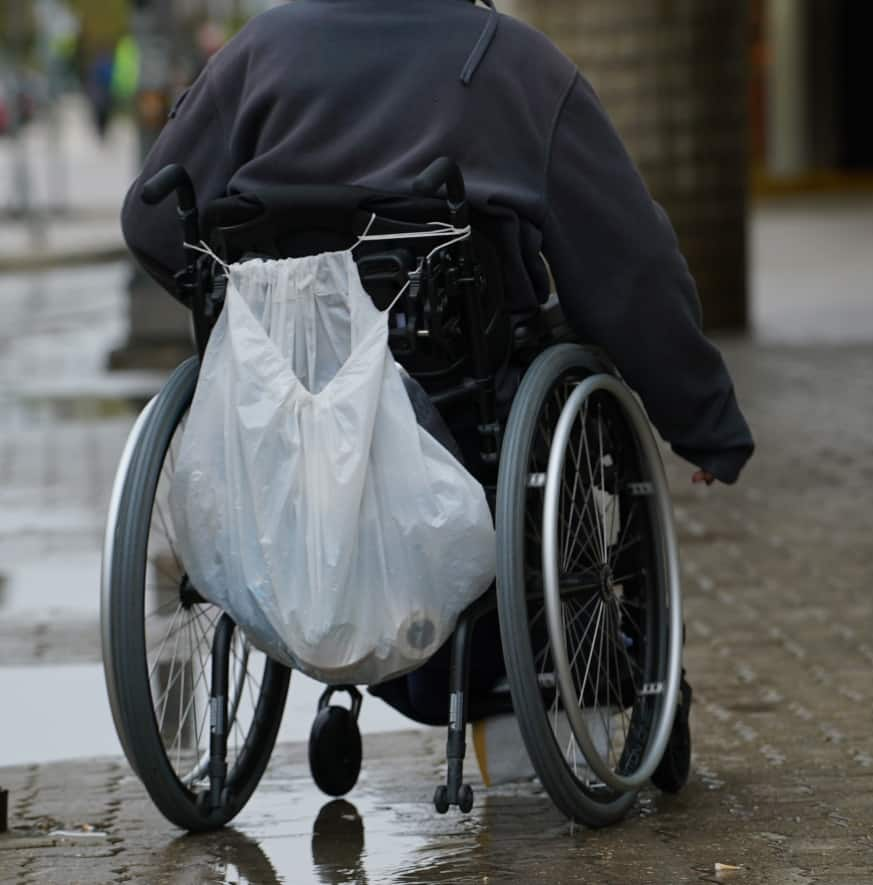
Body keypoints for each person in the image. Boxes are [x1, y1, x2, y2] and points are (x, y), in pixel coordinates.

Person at [121, 0, 755, 790]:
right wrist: (704, 424)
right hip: (460, 420)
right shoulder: (512, 64)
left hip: (287, 416)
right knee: (568, 358)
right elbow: (633, 270)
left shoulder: (262, 52)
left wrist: (262, 323)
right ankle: (591, 676)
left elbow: (150, 225)